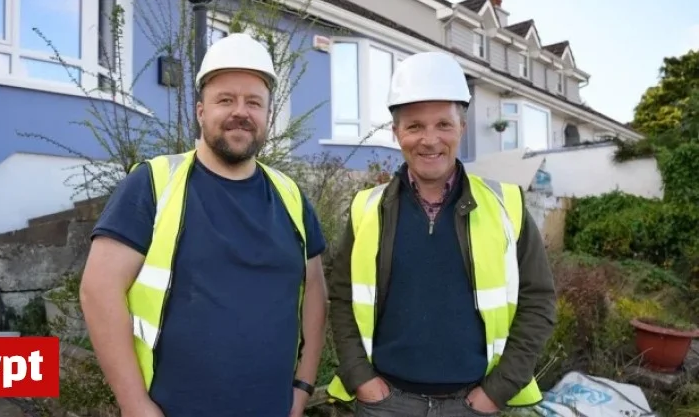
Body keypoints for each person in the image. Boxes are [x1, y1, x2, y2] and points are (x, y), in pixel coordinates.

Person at [79, 32, 328, 417]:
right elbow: (99, 290)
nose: (240, 112)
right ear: (200, 111)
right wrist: (134, 404)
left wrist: (303, 388)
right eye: (225, 100)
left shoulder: (291, 196)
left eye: (253, 102)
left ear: (267, 116)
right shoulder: (154, 183)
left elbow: (314, 293)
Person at [326, 51, 556, 416]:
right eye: (415, 126)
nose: (430, 140)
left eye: (443, 125)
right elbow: (342, 297)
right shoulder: (366, 209)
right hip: (385, 403)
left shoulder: (506, 206)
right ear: (396, 133)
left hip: (472, 404)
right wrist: (359, 376)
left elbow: (538, 301)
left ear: (462, 128)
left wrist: (498, 390)